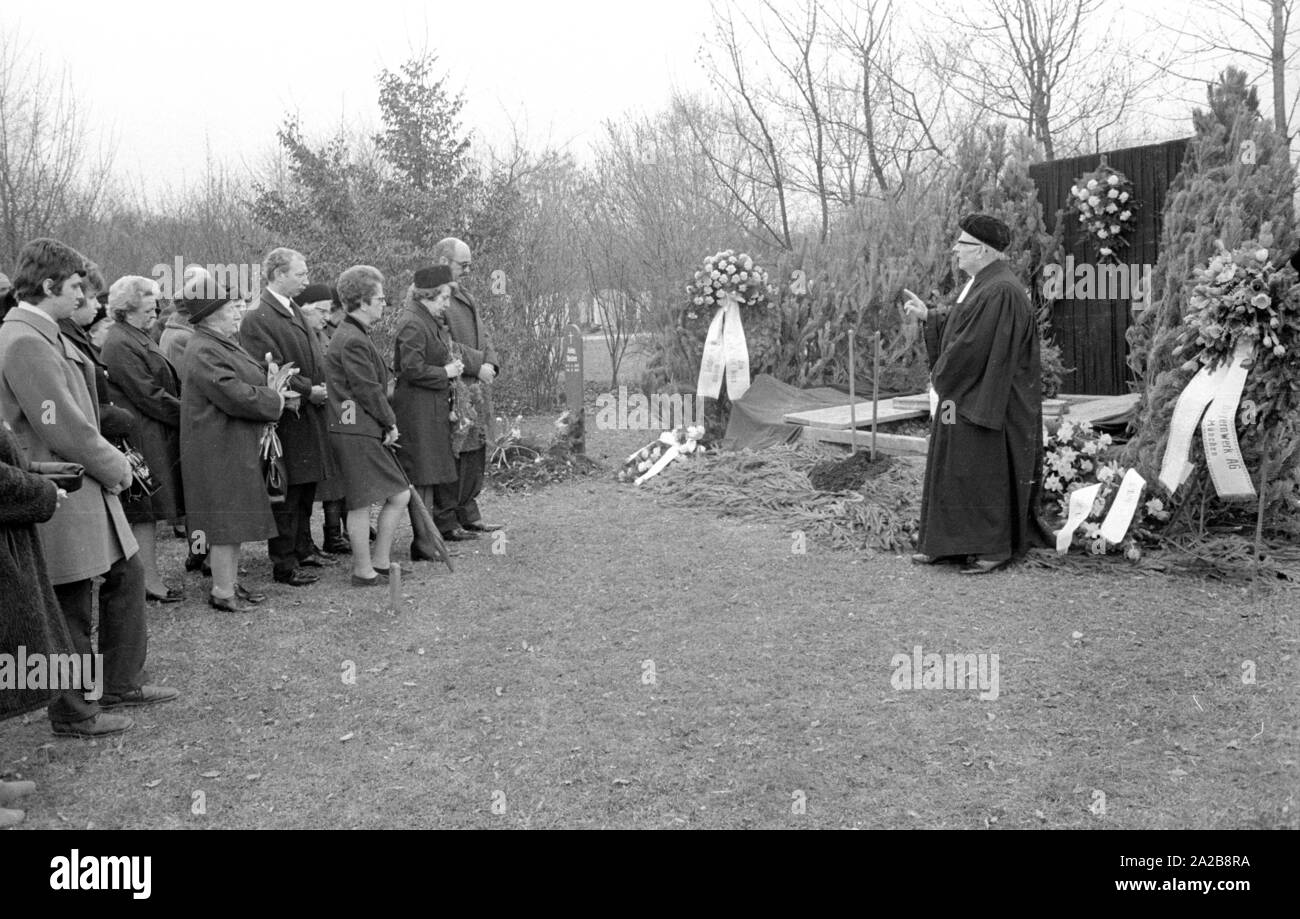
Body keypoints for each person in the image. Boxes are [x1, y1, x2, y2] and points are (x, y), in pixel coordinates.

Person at [0, 238, 178, 736]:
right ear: (49, 286)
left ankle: (119, 683)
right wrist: (117, 467)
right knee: (72, 600)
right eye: (76, 285)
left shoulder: (42, 332)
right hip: (62, 486)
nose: (83, 295)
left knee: (125, 574)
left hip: (81, 483)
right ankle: (74, 712)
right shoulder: (25, 339)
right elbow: (62, 426)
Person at [902, 214, 1046, 574]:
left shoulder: (1000, 289)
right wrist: (930, 316)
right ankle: (949, 544)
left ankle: (992, 547)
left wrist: (943, 375)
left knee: (981, 470)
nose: (955, 249)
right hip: (968, 394)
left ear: (981, 250)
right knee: (955, 465)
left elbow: (972, 345)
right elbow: (963, 323)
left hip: (987, 399)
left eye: (961, 244)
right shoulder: (986, 283)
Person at [238, 248, 334, 587]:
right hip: (290, 417)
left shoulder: (291, 308)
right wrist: (310, 391)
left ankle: (303, 548)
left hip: (308, 415)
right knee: (289, 491)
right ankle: (284, 562)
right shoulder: (258, 316)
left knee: (306, 488)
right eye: (300, 273)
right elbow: (269, 368)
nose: (306, 279)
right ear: (278, 275)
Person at [325, 266, 411, 587]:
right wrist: (390, 423)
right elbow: (368, 390)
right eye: (380, 299)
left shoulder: (354, 334)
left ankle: (379, 563)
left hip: (356, 429)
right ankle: (365, 571)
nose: (384, 305)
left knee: (394, 495)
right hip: (355, 431)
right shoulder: (352, 340)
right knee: (369, 500)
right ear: (361, 302)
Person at [101, 276, 185, 602]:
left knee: (146, 511)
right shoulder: (120, 342)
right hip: (139, 436)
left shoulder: (135, 336)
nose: (157, 311)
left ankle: (148, 578)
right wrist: (186, 414)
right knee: (143, 511)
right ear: (129, 308)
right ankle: (148, 581)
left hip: (150, 431)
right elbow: (148, 394)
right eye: (150, 306)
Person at [433, 237, 503, 538]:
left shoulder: (466, 295)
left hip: (475, 387)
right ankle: (447, 520)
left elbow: (483, 336)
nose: (468, 270)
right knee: (456, 453)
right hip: (456, 388)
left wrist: (492, 364)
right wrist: (479, 365)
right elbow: (444, 345)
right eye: (463, 265)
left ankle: (468, 512)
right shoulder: (434, 298)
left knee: (475, 451)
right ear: (443, 261)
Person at [393, 266, 464, 551]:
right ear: (428, 295)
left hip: (428, 407)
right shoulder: (413, 322)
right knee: (422, 476)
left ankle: (426, 539)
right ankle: (423, 542)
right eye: (444, 298)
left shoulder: (424, 318)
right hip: (417, 409)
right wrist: (445, 372)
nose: (447, 304)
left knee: (428, 476)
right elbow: (411, 368)